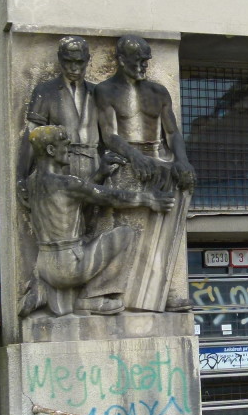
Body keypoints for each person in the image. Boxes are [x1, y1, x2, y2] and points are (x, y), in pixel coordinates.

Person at [19, 125, 174, 317]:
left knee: (90, 235)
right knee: (124, 234)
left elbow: (73, 203)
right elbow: (111, 197)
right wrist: (149, 199)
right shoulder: (65, 182)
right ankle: (91, 298)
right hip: (68, 266)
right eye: (64, 146)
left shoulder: (32, 182)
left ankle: (43, 290)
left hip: (44, 264)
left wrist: (99, 174)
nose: (69, 150)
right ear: (51, 150)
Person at [94, 35, 195, 312]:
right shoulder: (105, 91)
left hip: (159, 159)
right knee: (128, 230)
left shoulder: (158, 92)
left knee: (166, 226)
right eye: (138, 60)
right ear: (121, 59)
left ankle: (166, 292)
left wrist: (182, 161)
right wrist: (135, 157)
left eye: (146, 60)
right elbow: (109, 134)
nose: (143, 65)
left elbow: (173, 132)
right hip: (128, 161)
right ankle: (120, 290)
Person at [19, 36, 100, 182]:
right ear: (60, 59)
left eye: (79, 62)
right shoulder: (45, 91)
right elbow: (32, 136)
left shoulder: (97, 92)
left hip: (94, 167)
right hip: (61, 169)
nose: (73, 68)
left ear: (87, 60)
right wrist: (21, 177)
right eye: (68, 61)